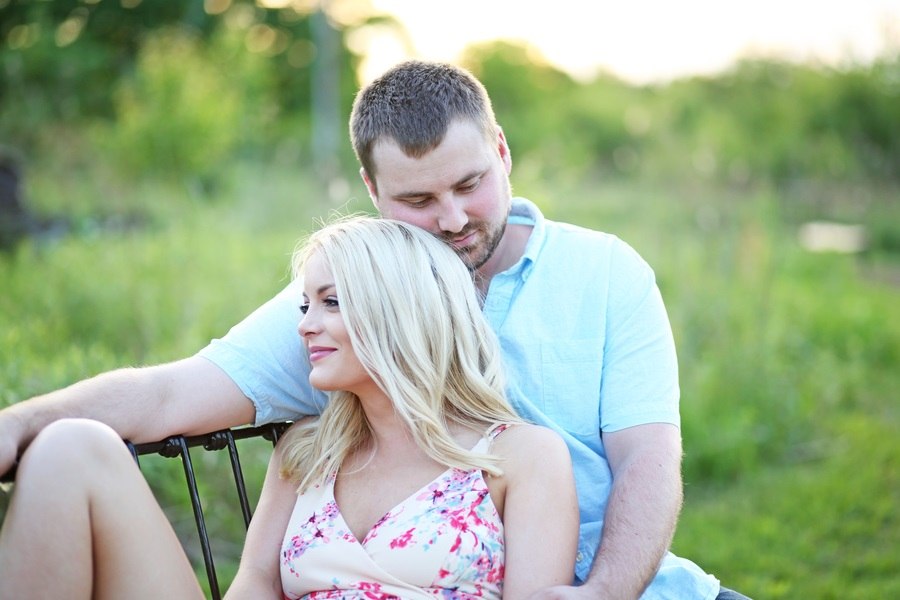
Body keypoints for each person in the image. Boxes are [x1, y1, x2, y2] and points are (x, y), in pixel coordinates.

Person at [0, 60, 747, 599]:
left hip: (632, 588)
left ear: (503, 152)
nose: (453, 219)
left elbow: (649, 460)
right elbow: (169, 396)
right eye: (420, 199)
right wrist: (19, 424)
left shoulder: (605, 275)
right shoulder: (346, 304)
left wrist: (607, 593)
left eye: (470, 184)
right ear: (373, 192)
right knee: (67, 446)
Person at [0, 216, 579, 598]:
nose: (305, 326)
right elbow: (252, 584)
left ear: (398, 311)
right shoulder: (307, 448)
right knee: (71, 446)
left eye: (331, 302)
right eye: (306, 303)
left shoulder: (522, 457)